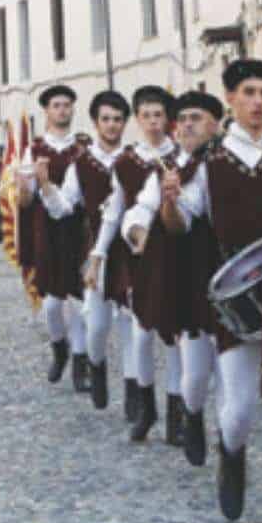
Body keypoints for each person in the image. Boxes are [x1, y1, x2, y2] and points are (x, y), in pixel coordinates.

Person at [160, 61, 262, 523]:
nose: (257, 101)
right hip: (237, 297)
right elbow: (182, 221)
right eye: (248, 92)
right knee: (241, 405)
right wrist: (168, 201)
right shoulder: (210, 162)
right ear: (230, 99)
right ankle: (231, 451)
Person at [121, 90, 225, 464]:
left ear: (215, 123)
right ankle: (191, 413)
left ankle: (231, 450)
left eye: (195, 118)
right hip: (190, 278)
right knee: (194, 373)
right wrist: (143, 230)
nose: (186, 126)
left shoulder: (228, 164)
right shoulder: (166, 170)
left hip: (233, 279)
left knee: (232, 374)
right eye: (181, 119)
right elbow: (141, 212)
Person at [89, 86, 182, 443]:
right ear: (138, 120)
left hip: (174, 254)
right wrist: (97, 256)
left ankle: (177, 415)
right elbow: (113, 213)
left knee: (172, 337)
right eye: (146, 115)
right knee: (141, 336)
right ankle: (146, 406)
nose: (153, 122)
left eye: (159, 115)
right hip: (137, 256)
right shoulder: (126, 162)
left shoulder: (181, 157)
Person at [44, 90, 132, 412]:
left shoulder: (133, 160)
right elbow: (64, 207)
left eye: (118, 119)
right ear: (96, 122)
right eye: (106, 119)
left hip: (132, 252)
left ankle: (137, 397)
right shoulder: (81, 164)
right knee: (96, 324)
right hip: (96, 250)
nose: (112, 125)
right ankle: (96, 364)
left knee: (132, 325)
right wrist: (46, 188)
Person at [18, 85, 88, 391]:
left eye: (66, 105)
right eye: (56, 105)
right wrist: (24, 185)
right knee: (51, 304)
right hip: (45, 230)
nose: (62, 110)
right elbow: (23, 201)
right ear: (46, 111)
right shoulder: (33, 151)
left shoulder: (83, 149)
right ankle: (59, 349)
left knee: (79, 301)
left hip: (77, 229)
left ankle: (82, 365)